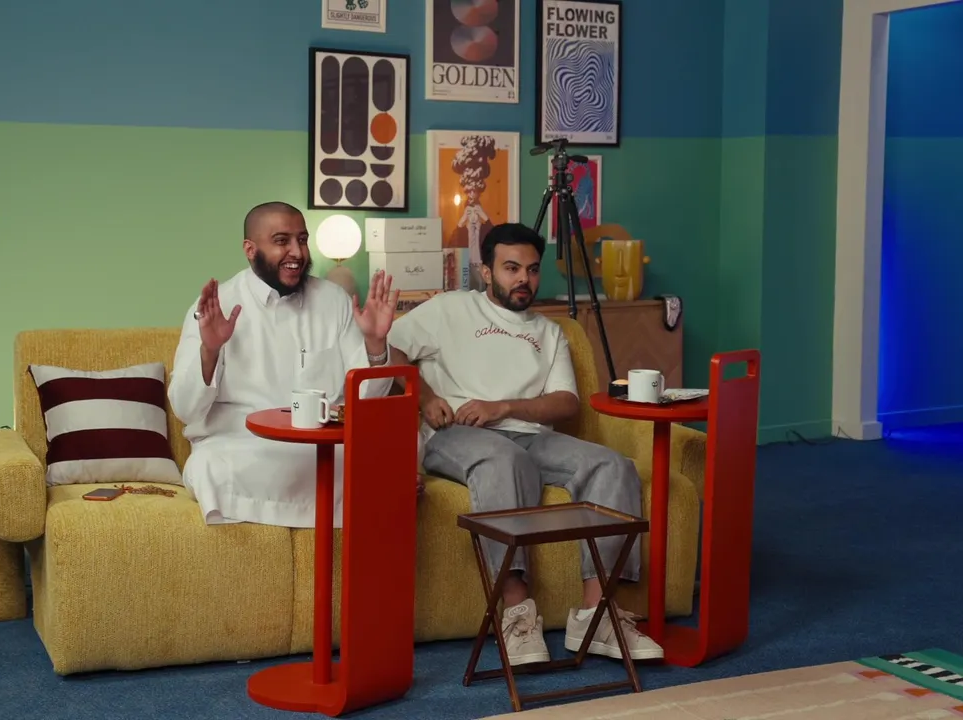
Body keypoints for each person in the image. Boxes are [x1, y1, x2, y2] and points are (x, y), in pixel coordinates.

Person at [387, 223, 662, 666]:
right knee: (505, 459)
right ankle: (516, 613)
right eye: (511, 268)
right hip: (456, 434)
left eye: (532, 270)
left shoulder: (549, 332)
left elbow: (566, 402)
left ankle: (596, 615)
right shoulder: (451, 308)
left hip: (532, 436)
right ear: (486, 271)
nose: (523, 280)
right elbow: (391, 347)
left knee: (613, 465)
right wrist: (426, 397)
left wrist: (503, 407)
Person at [167, 201, 400, 528]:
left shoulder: (334, 300)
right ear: (250, 249)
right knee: (207, 466)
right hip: (242, 446)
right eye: (282, 241)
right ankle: (346, 499)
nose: (297, 252)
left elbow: (366, 400)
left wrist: (375, 342)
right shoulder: (217, 306)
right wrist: (210, 350)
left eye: (302, 240)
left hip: (319, 449)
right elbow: (185, 409)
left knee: (396, 454)